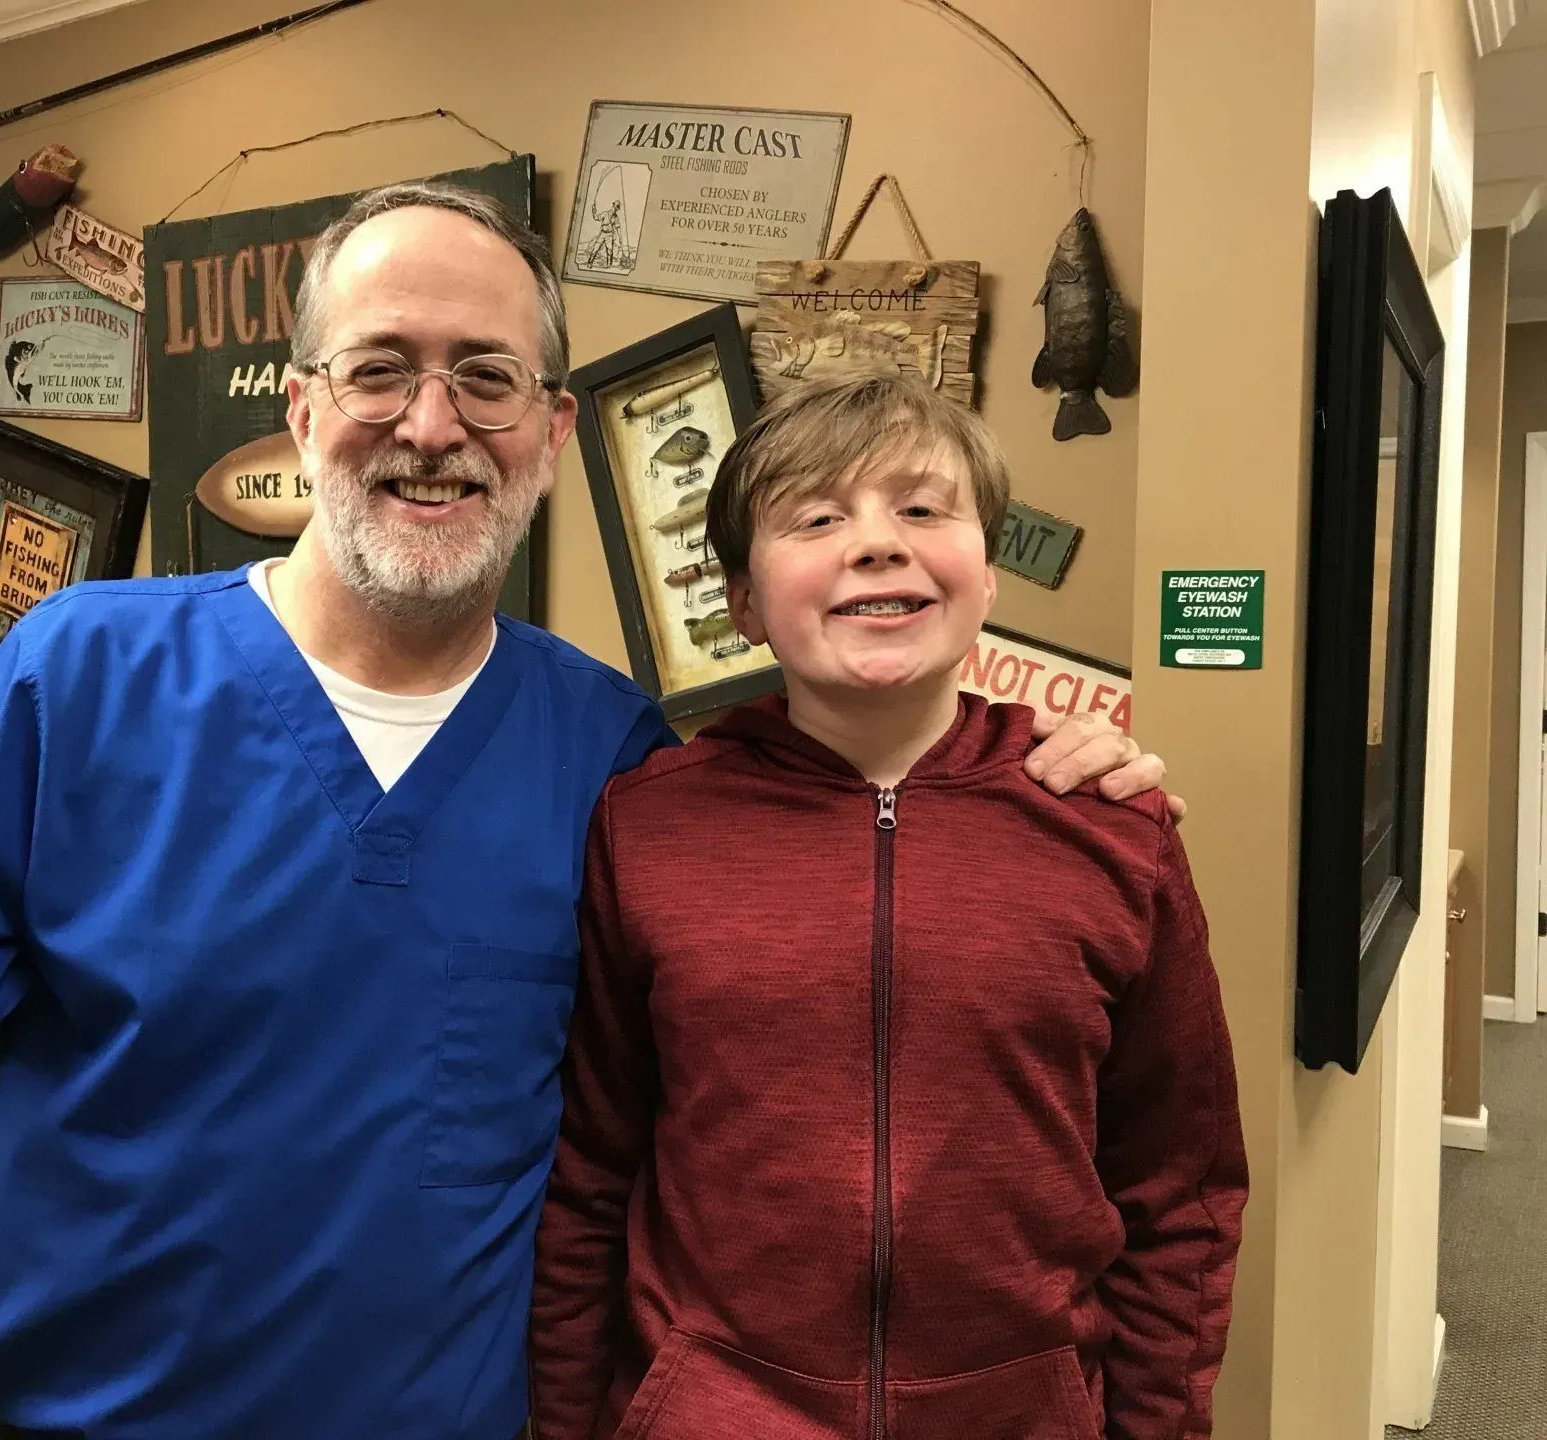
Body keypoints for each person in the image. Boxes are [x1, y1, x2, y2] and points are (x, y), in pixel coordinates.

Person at [0, 183, 1174, 1440]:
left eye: (488, 379)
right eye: (380, 368)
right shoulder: (77, 675)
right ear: (303, 406)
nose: (433, 424)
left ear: (555, 433)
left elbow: (712, 1103)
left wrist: (1011, 767)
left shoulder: (622, 762)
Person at [530, 372, 1246, 1440]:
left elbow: (1178, 1191)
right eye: (817, 518)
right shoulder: (649, 828)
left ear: (987, 573)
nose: (877, 543)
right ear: (741, 602)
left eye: (922, 507)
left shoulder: (1112, 830)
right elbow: (591, 1176)